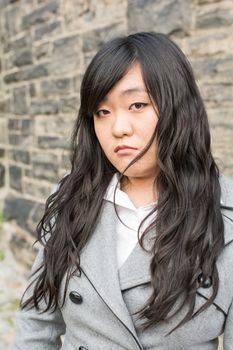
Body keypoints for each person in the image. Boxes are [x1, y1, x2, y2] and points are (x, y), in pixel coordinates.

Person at [12, 32, 233, 350]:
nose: (118, 128)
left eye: (137, 105)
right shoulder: (72, 200)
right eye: (102, 112)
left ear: (178, 107)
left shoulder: (224, 215)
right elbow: (36, 322)